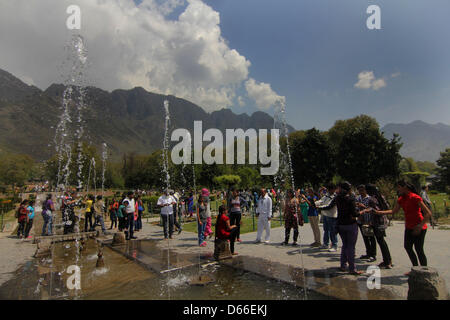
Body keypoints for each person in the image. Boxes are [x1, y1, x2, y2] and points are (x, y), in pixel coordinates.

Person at [374, 180, 432, 270]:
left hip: (419, 226)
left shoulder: (415, 197)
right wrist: (378, 212)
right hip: (409, 226)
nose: (398, 189)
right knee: (408, 247)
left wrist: (420, 226)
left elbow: (428, 213)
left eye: (399, 187)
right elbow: (394, 211)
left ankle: (424, 271)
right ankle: (415, 269)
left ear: (405, 187)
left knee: (419, 249)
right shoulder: (401, 199)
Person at [318, 182, 362, 275]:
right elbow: (355, 214)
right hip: (350, 224)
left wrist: (318, 207)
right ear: (349, 189)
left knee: (345, 245)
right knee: (350, 247)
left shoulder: (337, 198)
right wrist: (363, 211)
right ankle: (352, 268)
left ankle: (343, 265)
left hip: (340, 224)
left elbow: (329, 206)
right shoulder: (350, 199)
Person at [364, 184, 393, 269]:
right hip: (383, 220)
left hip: (377, 222)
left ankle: (387, 261)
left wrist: (367, 210)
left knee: (381, 241)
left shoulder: (371, 199)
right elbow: (386, 207)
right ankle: (388, 260)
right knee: (382, 241)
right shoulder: (381, 196)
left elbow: (375, 210)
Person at [356, 185, 377, 262]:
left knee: (371, 238)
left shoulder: (370, 199)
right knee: (365, 238)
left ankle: (373, 254)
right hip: (360, 220)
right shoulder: (358, 198)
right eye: (359, 191)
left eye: (362, 190)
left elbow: (372, 209)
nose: (361, 192)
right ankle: (368, 253)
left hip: (368, 220)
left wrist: (363, 207)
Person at [315, 184, 338, 252]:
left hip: (332, 215)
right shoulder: (326, 195)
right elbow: (321, 201)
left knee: (332, 231)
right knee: (326, 230)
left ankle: (334, 245)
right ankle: (326, 243)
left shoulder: (335, 197)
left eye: (331, 189)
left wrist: (319, 207)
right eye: (329, 189)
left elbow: (329, 206)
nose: (330, 191)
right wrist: (315, 203)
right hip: (325, 215)